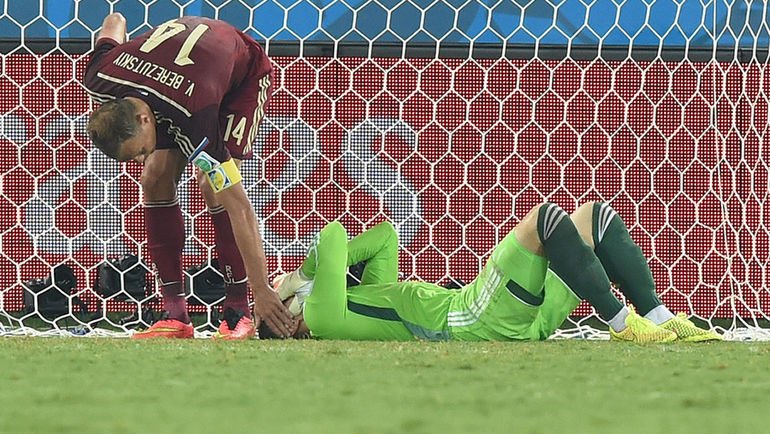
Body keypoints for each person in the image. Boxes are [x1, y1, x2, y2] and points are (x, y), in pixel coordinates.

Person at [83, 13, 294, 339]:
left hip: (240, 79)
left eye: (140, 150)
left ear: (143, 120)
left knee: (214, 186)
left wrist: (261, 289)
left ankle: (237, 312)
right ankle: (175, 315)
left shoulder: (196, 118)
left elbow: (240, 207)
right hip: (174, 87)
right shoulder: (99, 75)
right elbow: (114, 20)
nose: (140, 158)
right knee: (153, 178)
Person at [264, 202, 722, 342]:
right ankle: (623, 324)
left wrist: (302, 281)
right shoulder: (322, 317)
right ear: (288, 315)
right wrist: (297, 279)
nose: (279, 280)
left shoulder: (355, 304)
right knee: (545, 220)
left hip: (514, 320)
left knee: (593, 218)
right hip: (472, 321)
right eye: (277, 293)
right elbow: (333, 236)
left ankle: (660, 318)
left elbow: (384, 236)